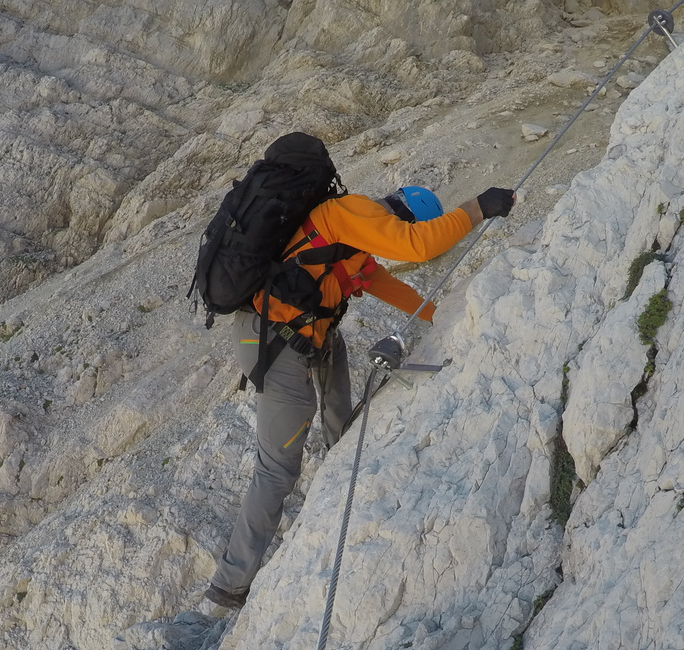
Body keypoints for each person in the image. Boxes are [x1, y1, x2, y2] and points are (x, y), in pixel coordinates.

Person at [204, 181, 515, 610]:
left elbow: (393, 289)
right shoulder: (350, 214)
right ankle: (230, 582)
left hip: (311, 335)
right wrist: (478, 207)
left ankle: (341, 480)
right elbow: (419, 246)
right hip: (271, 341)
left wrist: (450, 318)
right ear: (401, 214)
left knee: (342, 426)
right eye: (400, 225)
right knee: (276, 469)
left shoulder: (353, 251)